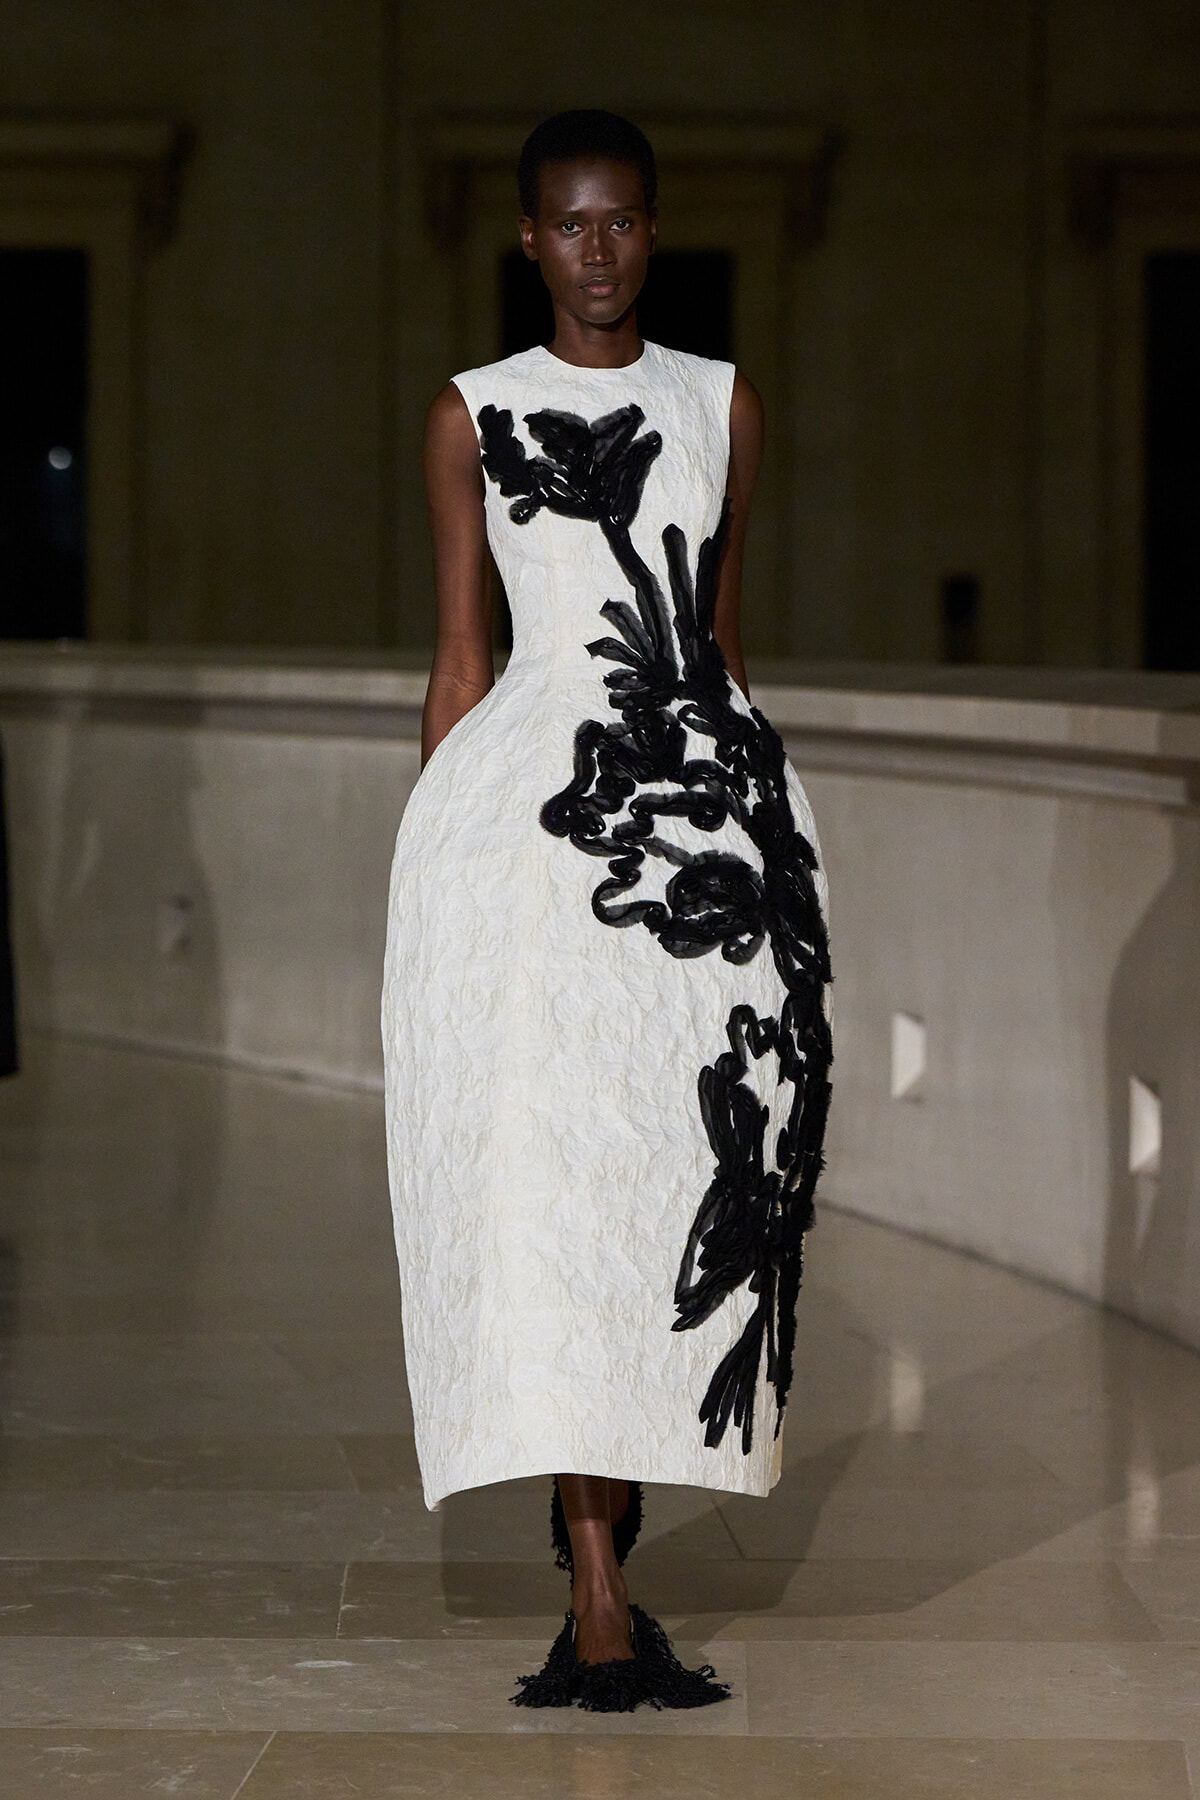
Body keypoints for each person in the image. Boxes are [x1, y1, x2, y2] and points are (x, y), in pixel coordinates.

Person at [381, 109, 833, 1712]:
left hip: (697, 837)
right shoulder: (472, 416)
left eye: (624, 223)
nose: (598, 250)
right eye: (570, 225)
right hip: (529, 826)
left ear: (654, 228)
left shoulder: (721, 404)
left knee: (674, 1169)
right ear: (528, 241)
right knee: (550, 1174)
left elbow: (716, 636)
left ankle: (607, 1537)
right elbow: (460, 661)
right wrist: (434, 879)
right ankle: (593, 1576)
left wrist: (767, 835)